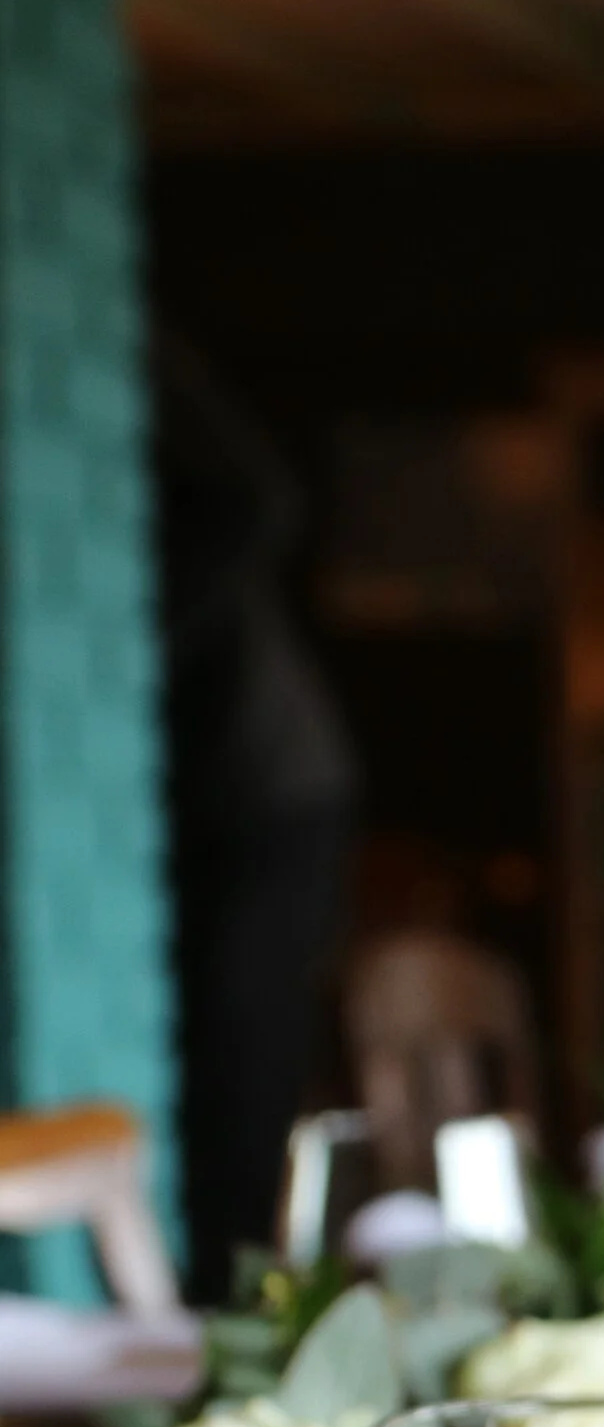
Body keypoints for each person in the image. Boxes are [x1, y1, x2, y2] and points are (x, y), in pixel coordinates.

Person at [153, 340, 358, 1299]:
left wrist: (140, 639)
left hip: (272, 793)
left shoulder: (154, 370)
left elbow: (263, 495)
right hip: (197, 806)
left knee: (244, 1061)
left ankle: (235, 1309)